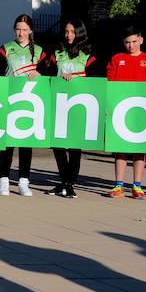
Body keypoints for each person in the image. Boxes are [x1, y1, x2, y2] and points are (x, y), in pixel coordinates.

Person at [39, 19, 97, 199]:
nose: (68, 35)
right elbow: (46, 74)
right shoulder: (57, 54)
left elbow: (95, 83)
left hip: (79, 107)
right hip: (59, 105)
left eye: (72, 32)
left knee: (74, 147)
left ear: (80, 33)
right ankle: (64, 182)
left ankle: (70, 184)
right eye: (66, 31)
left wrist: (76, 80)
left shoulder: (88, 56)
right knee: (57, 145)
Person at [106, 25, 146, 199]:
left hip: (142, 108)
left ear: (141, 40)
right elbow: (110, 85)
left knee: (140, 148)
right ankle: (119, 186)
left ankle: (137, 186)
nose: (131, 45)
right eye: (127, 42)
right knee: (120, 148)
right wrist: (107, 107)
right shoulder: (116, 59)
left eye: (134, 42)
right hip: (120, 108)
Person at [0, 14, 45, 196]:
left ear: (30, 31)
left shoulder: (40, 51)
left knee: (26, 142)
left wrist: (41, 73)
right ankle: (3, 180)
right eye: (18, 29)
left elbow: (50, 72)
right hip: (10, 100)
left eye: (24, 29)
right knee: (7, 142)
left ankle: (24, 181)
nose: (21, 32)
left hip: (30, 102)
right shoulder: (5, 49)